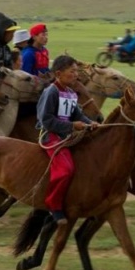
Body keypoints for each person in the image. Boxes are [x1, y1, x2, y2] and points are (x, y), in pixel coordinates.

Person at [36, 54, 99, 225]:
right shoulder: (51, 92)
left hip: (68, 136)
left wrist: (90, 123)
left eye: (76, 71)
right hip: (51, 136)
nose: (76, 75)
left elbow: (77, 114)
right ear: (58, 73)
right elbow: (46, 120)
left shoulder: (71, 93)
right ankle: (53, 205)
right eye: (72, 71)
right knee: (65, 169)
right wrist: (72, 126)